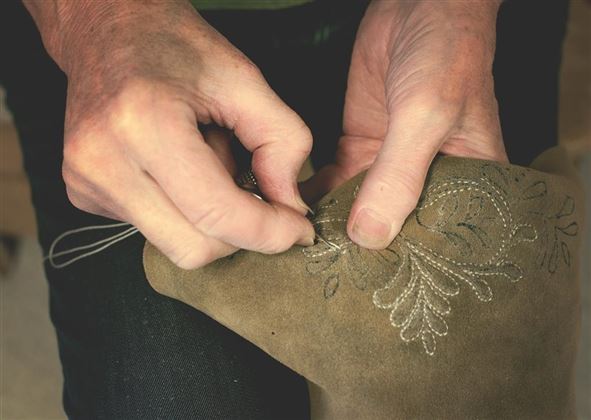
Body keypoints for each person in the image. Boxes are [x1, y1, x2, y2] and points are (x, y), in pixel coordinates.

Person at [0, 0, 569, 418]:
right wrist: (94, 22)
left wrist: (459, 11)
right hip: (120, 45)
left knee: (482, 391)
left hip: (444, 26)